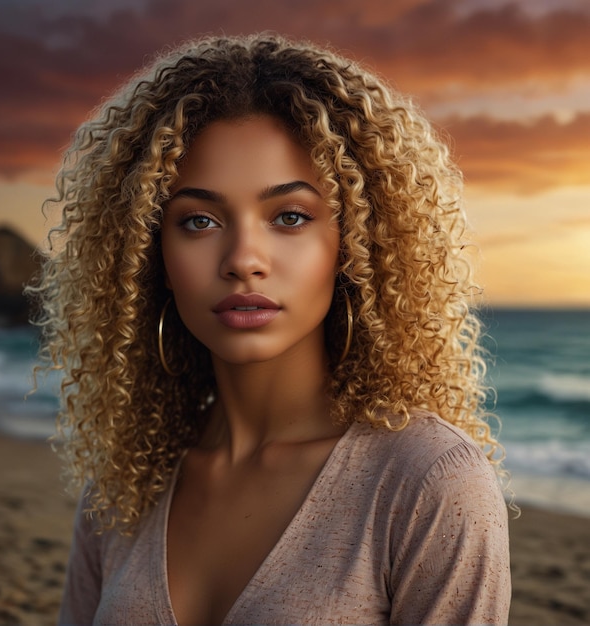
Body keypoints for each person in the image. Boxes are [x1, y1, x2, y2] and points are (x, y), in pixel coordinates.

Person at [32, 33, 511, 625]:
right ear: (150, 252)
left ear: (357, 244)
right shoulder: (123, 491)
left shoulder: (429, 483)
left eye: (289, 216)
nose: (243, 258)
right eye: (199, 220)